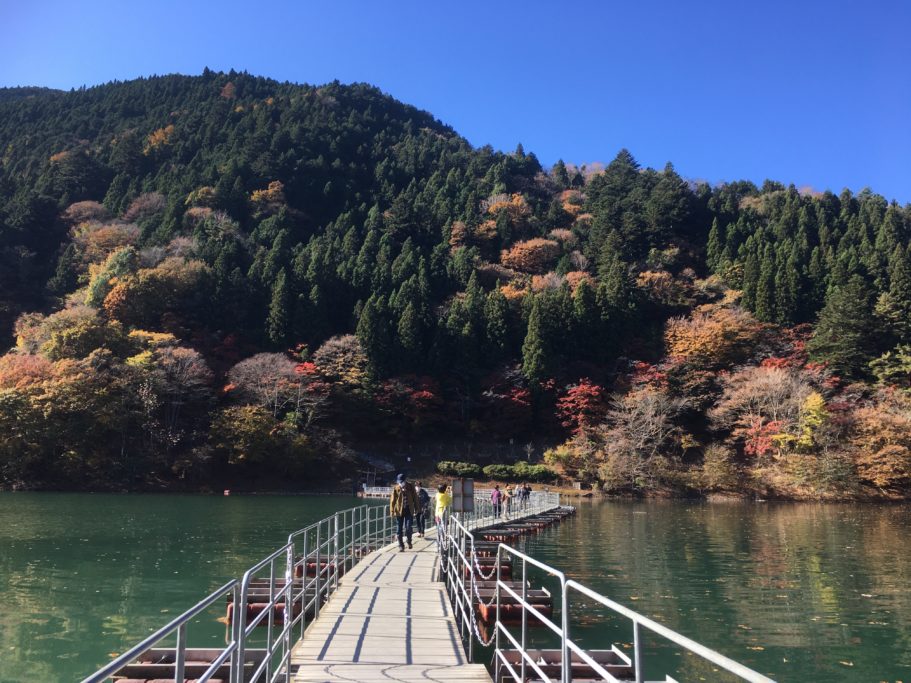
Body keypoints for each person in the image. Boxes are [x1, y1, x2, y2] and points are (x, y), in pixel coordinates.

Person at [390, 473, 419, 551]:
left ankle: (409, 541)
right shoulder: (396, 488)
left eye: (401, 481)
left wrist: (417, 508)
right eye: (399, 481)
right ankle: (401, 545)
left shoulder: (410, 486)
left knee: (408, 527)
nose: (400, 483)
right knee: (399, 529)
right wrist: (392, 511)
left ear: (405, 480)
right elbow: (393, 500)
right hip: (399, 511)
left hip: (409, 510)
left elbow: (415, 498)